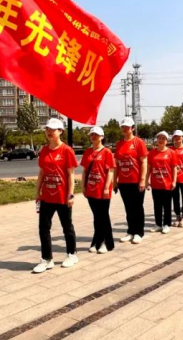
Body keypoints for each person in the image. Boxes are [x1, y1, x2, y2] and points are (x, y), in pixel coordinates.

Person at [33, 118, 79, 274]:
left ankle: (72, 254)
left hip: (62, 196)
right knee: (43, 228)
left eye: (53, 129)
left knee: (67, 226)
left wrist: (71, 194)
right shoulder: (44, 151)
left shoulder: (67, 150)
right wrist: (37, 192)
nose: (49, 132)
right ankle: (46, 259)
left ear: (60, 131)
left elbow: (71, 174)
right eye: (47, 129)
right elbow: (41, 173)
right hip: (47, 196)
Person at [81, 126, 116, 254]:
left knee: (103, 216)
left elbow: (110, 171)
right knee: (96, 217)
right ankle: (97, 241)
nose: (94, 137)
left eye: (96, 134)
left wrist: (106, 187)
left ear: (102, 137)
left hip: (102, 190)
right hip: (91, 189)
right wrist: (83, 186)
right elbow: (85, 171)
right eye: (92, 135)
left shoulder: (106, 152)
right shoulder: (87, 152)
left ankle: (108, 243)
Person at [114, 117, 148, 244]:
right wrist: (115, 181)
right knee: (128, 207)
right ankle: (131, 231)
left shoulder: (139, 142)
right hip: (123, 182)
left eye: (127, 127)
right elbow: (116, 164)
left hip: (136, 181)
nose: (124, 129)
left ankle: (139, 232)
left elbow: (144, 162)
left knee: (137, 207)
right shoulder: (119, 144)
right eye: (123, 127)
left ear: (132, 128)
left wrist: (142, 180)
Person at [147, 131, 179, 234]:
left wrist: (174, 181)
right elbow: (149, 168)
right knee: (157, 205)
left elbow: (174, 168)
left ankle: (166, 224)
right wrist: (146, 180)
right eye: (159, 138)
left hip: (167, 184)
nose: (161, 140)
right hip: (155, 184)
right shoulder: (152, 153)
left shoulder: (171, 152)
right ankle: (158, 224)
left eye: (163, 138)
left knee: (167, 205)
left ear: (167, 141)